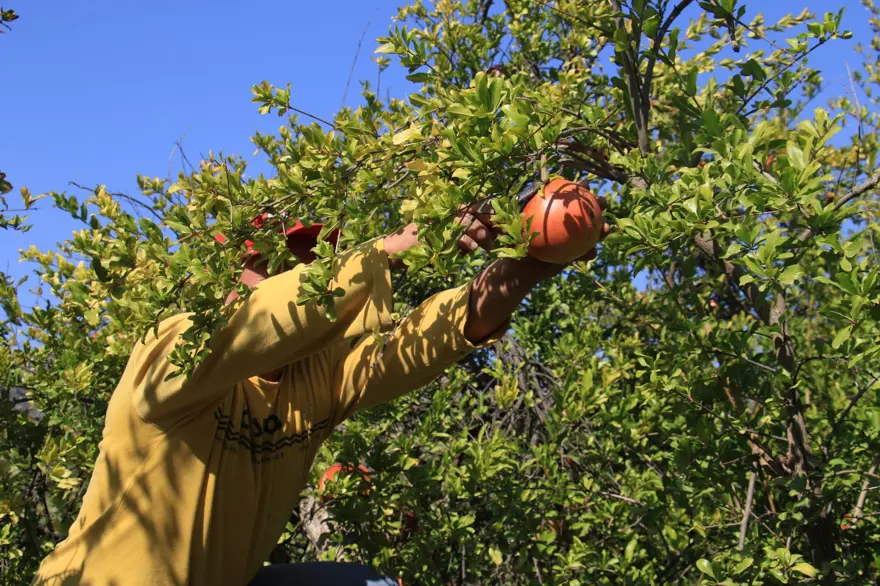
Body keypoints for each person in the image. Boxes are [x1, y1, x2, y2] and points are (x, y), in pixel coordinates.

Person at [33, 200, 609, 586]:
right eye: (272, 264)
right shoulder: (173, 351)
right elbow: (269, 318)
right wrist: (383, 254)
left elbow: (431, 338)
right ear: (229, 274)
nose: (296, 273)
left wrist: (529, 261)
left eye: (310, 262)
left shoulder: (317, 378)